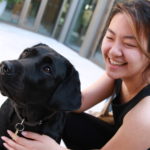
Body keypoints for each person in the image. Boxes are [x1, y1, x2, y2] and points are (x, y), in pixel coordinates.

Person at [1, 0, 150, 149]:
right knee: (62, 111)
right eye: (110, 37)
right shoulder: (119, 75)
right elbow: (76, 103)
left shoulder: (146, 116)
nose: (113, 51)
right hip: (119, 138)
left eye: (129, 44)